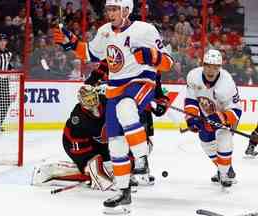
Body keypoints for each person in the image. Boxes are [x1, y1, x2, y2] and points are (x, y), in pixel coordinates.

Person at [53, 0, 173, 213]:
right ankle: (123, 192)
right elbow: (90, 53)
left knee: (126, 109)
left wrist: (152, 56)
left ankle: (141, 159)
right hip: (115, 87)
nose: (110, 13)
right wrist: (71, 42)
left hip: (141, 80)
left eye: (114, 9)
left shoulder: (145, 30)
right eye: (108, 9)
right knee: (116, 143)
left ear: (127, 10)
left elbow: (168, 63)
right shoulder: (105, 32)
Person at [32, 85, 114, 191]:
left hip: (94, 140)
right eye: (88, 100)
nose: (92, 102)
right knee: (93, 168)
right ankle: (48, 171)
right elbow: (79, 142)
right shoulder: (79, 117)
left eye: (93, 98)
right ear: (81, 101)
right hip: (75, 144)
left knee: (110, 161)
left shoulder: (104, 101)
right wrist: (88, 163)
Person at [184, 49, 242, 188]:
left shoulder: (226, 84)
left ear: (220, 68)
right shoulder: (193, 76)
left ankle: (224, 174)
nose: (211, 70)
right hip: (206, 114)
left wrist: (216, 120)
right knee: (206, 142)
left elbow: (236, 111)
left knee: (224, 140)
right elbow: (191, 99)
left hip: (226, 116)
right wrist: (192, 119)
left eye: (215, 67)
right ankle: (225, 168)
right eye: (208, 66)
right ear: (203, 65)